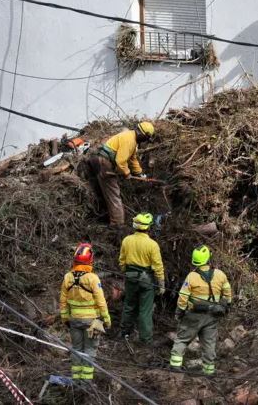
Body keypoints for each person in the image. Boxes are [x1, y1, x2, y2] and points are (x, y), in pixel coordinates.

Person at [170, 245, 232, 375]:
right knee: (209, 343)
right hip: (212, 316)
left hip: (194, 315)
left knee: (182, 339)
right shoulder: (220, 274)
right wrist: (227, 306)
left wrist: (180, 311)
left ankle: (175, 366)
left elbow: (183, 296)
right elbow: (227, 293)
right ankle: (209, 371)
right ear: (208, 259)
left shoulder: (192, 277)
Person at [85, 121, 155, 228]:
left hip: (101, 160)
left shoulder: (132, 139)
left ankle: (112, 219)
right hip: (104, 162)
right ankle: (117, 224)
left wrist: (140, 173)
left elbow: (132, 159)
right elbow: (121, 161)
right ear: (142, 134)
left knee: (108, 191)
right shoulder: (129, 140)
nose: (145, 141)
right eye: (145, 138)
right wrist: (127, 174)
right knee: (113, 193)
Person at [59, 242, 111, 383]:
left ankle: (76, 380)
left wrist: (65, 319)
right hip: (92, 322)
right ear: (90, 260)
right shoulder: (93, 278)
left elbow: (63, 301)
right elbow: (101, 301)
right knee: (90, 350)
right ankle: (86, 382)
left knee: (76, 348)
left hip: (74, 320)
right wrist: (106, 319)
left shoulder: (68, 277)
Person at [119, 213, 165, 345]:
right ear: (149, 228)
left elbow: (122, 261)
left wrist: (126, 273)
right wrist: (161, 284)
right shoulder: (152, 245)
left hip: (130, 278)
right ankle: (145, 339)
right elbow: (158, 266)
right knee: (145, 311)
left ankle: (124, 333)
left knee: (129, 306)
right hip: (146, 281)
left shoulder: (127, 240)